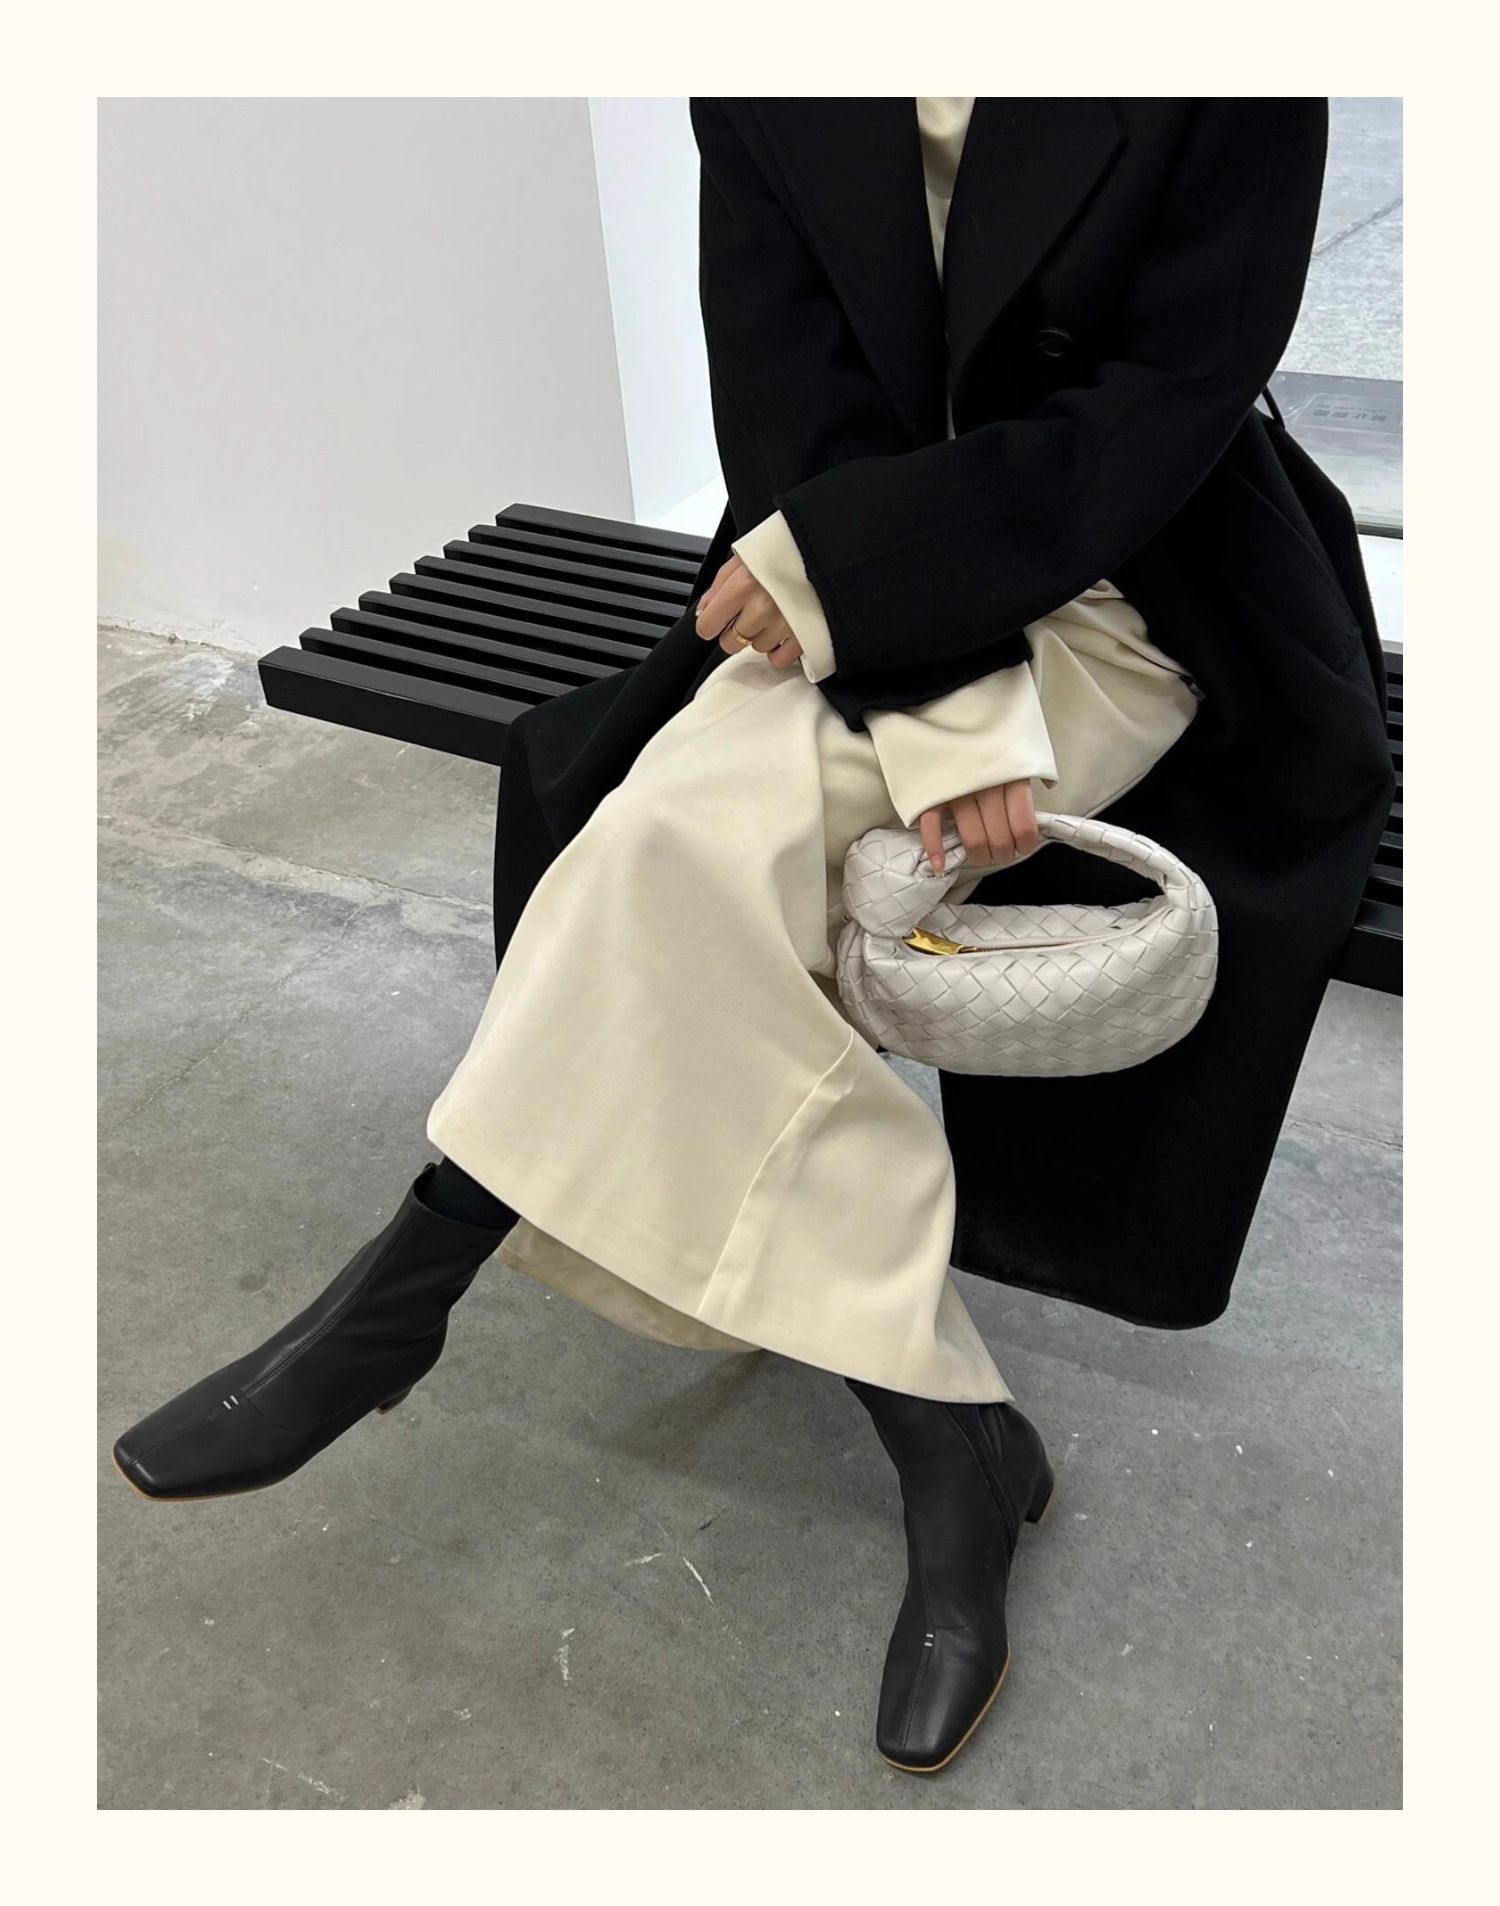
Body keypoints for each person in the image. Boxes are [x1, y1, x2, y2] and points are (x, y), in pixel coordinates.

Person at [113, 98, 1394, 1777]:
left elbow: (1159, 409)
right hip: (846, 560)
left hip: (1138, 591)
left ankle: (409, 1287)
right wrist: (936, 701)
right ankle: (948, 1440)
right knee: (670, 849)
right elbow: (792, 375)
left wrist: (919, 662)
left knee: (662, 857)